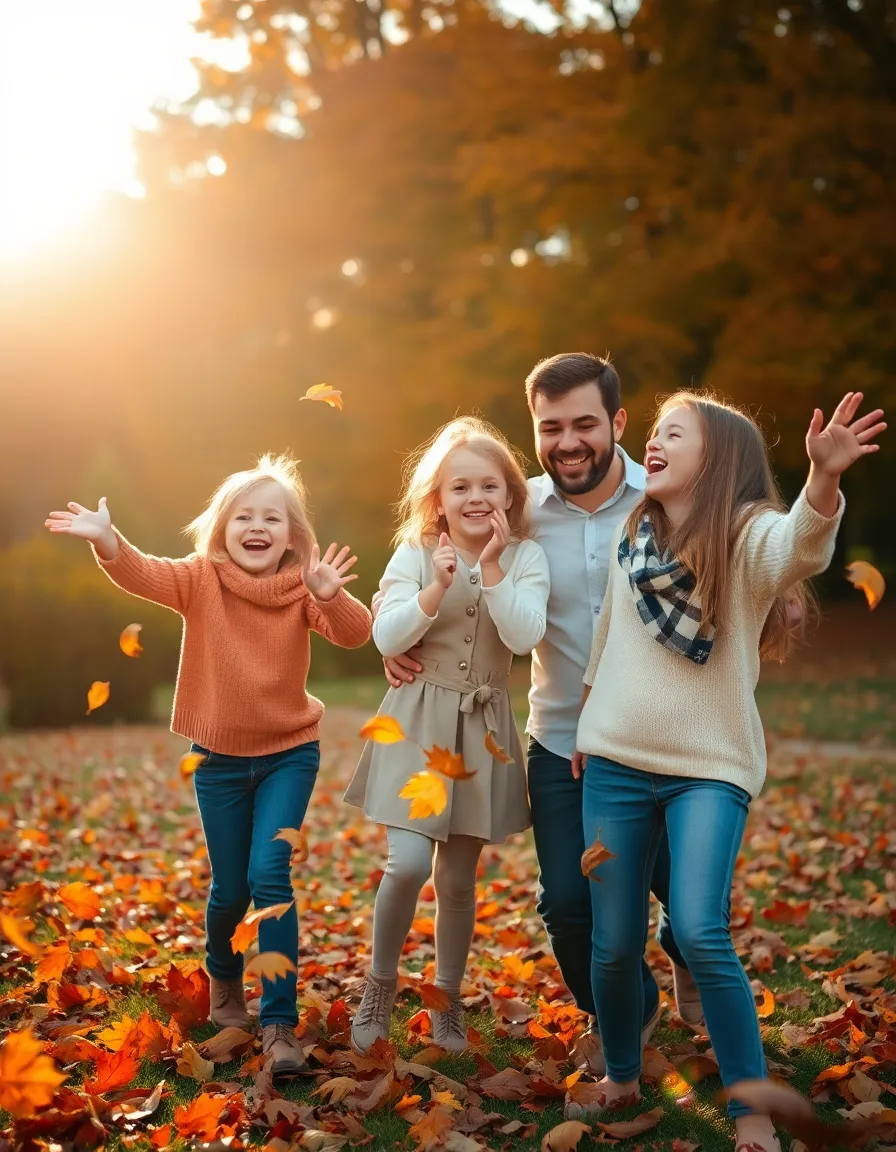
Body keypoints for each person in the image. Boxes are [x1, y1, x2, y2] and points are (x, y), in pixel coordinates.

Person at [569, 392, 885, 1151]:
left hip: (709, 768)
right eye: (653, 433)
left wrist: (825, 481)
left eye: (672, 433)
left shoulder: (745, 538)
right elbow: (609, 634)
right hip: (613, 761)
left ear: (716, 461)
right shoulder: (631, 533)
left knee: (702, 928)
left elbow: (801, 548)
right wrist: (585, 725)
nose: (652, 442)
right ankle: (621, 1073)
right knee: (612, 944)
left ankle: (749, 1108)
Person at [383, 354, 700, 1069]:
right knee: (565, 904)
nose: (569, 441)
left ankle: (683, 951)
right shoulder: (511, 511)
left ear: (618, 423)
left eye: (585, 423)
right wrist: (392, 639)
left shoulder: (670, 497)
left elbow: (749, 550)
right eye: (551, 428)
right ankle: (625, 1009)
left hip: (665, 736)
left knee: (683, 895)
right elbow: (428, 563)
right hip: (561, 738)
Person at [45, 454, 372, 1078]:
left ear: (291, 534)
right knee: (230, 890)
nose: (256, 526)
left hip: (289, 755)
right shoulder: (200, 578)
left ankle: (278, 1024)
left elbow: (356, 635)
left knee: (270, 873)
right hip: (218, 761)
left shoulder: (304, 585)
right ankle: (225, 972)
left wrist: (335, 596)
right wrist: (109, 542)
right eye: (243, 516)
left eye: (271, 517)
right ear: (221, 528)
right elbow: (143, 574)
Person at [345, 417, 550, 1054]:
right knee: (407, 863)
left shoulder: (526, 557)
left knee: (459, 881)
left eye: (489, 485)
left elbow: (524, 636)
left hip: (482, 730)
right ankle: (380, 985)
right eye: (460, 487)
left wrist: (488, 570)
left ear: (510, 495)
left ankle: (446, 998)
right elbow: (387, 637)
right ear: (439, 498)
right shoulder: (414, 551)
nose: (476, 498)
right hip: (417, 718)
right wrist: (437, 583)